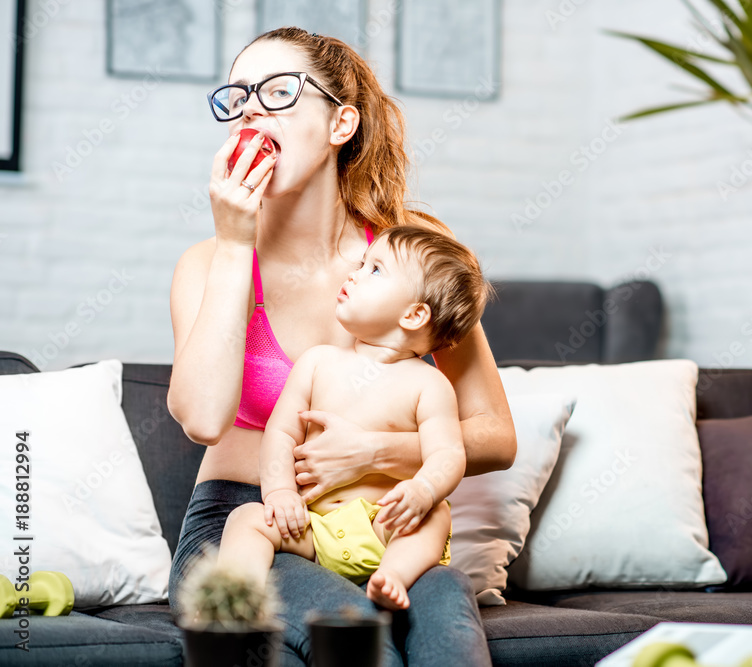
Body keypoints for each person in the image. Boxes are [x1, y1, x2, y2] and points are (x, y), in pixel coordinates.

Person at [165, 26, 515, 667]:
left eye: (277, 91)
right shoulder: (208, 263)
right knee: (355, 636)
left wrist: (375, 452)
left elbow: (494, 435)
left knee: (449, 630)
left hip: (383, 525)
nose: (250, 108)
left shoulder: (409, 258)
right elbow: (202, 418)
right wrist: (237, 244)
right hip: (250, 522)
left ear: (340, 123)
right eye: (239, 94)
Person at [216, 226, 493, 613]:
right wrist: (279, 493)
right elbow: (281, 433)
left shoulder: (430, 386)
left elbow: (449, 454)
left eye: (375, 270)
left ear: (414, 315)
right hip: (314, 527)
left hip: (386, 527)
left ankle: (393, 576)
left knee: (437, 514)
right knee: (247, 518)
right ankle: (232, 597)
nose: (354, 273)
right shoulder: (318, 363)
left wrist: (424, 490)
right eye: (363, 263)